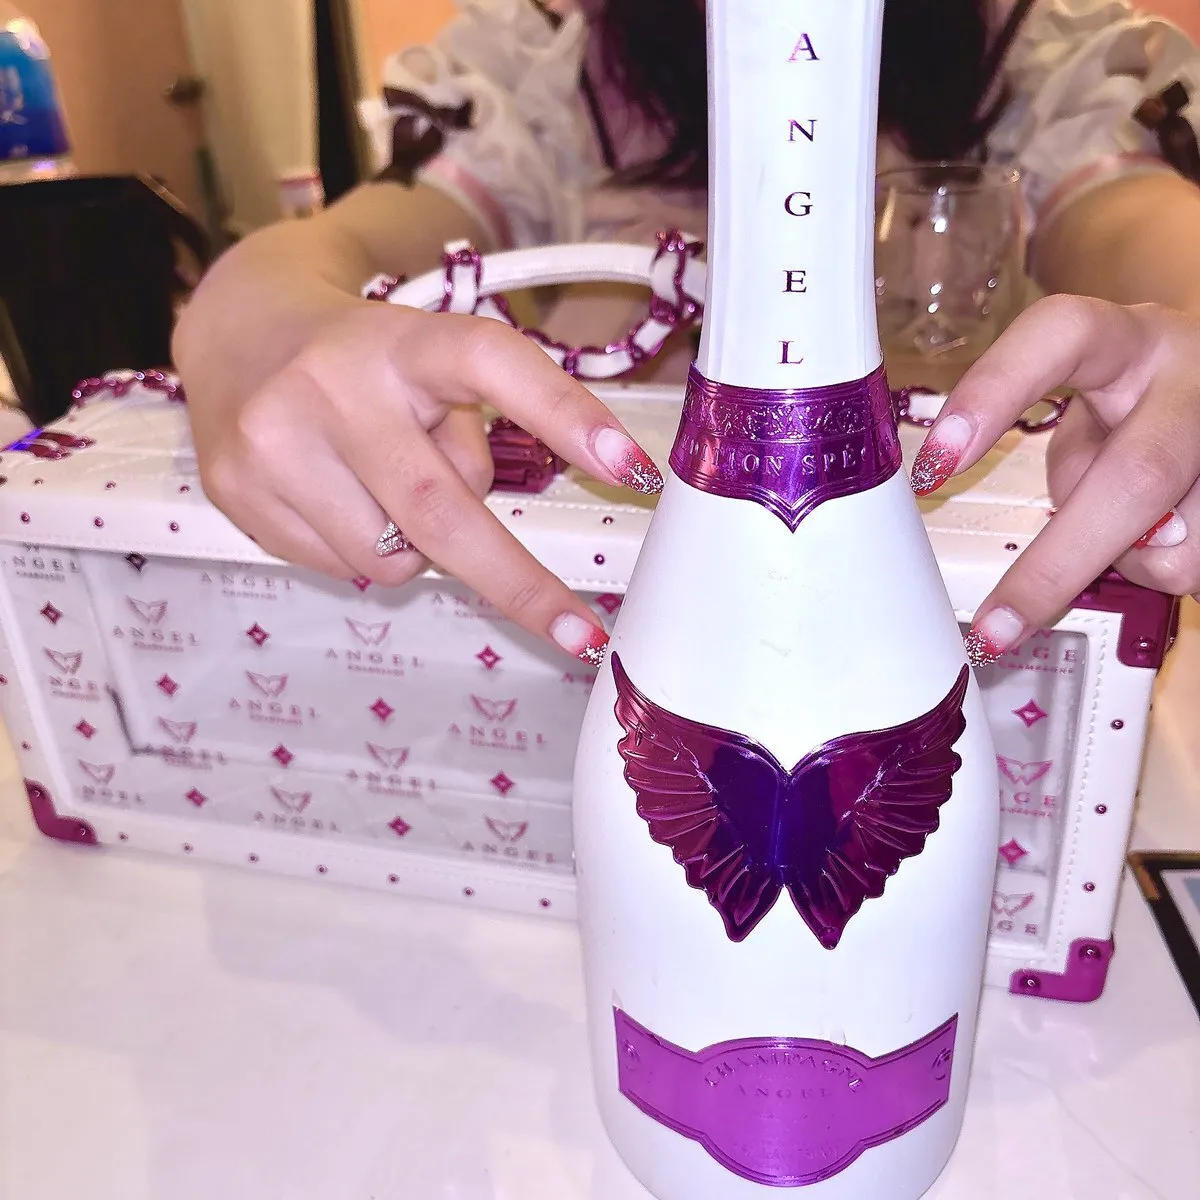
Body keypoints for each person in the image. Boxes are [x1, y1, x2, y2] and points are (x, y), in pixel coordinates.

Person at [173, 0, 1200, 667]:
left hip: (936, 654)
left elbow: (1142, 232)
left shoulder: (1036, 60)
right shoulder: (553, 68)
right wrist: (265, 329)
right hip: (614, 660)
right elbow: (328, 249)